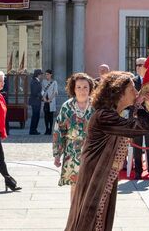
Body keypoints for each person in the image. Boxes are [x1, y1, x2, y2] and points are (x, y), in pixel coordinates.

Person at [65, 71, 149, 231]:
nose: (136, 92)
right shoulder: (105, 116)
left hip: (105, 176)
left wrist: (137, 106)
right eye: (132, 89)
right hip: (97, 176)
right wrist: (139, 106)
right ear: (119, 92)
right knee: (92, 219)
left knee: (99, 218)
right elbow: (142, 127)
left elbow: (134, 125)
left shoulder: (111, 115)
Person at [53, 73, 94, 201]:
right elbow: (59, 131)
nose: (82, 90)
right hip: (73, 152)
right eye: (79, 87)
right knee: (75, 185)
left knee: (91, 186)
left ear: (90, 89)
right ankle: (74, 215)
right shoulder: (67, 107)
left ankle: (87, 216)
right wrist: (57, 154)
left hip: (92, 151)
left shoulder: (96, 106)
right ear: (74, 89)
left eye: (85, 87)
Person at [132, 57, 149, 180]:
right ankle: (138, 171)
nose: (138, 67)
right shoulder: (131, 82)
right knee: (137, 146)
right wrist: (139, 98)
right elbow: (128, 101)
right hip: (136, 118)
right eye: (137, 65)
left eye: (141, 65)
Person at [42, 69, 58, 135]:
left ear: (51, 75)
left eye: (48, 74)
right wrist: (44, 98)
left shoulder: (54, 82)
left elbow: (55, 92)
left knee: (51, 116)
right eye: (46, 74)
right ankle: (46, 129)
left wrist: (50, 99)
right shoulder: (43, 81)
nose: (46, 76)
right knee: (46, 116)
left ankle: (50, 129)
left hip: (51, 101)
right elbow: (42, 90)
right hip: (45, 101)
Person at [29, 69, 43, 135]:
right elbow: (34, 92)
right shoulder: (34, 81)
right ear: (38, 75)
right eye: (40, 74)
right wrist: (41, 94)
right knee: (35, 116)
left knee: (36, 116)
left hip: (37, 101)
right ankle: (32, 130)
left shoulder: (37, 81)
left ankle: (34, 130)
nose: (41, 76)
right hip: (35, 101)